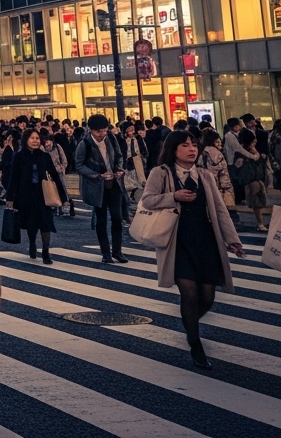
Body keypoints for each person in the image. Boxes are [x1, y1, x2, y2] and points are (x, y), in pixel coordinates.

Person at [140, 131, 245, 369]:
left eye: (194, 145)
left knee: (207, 296)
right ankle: (195, 342)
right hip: (178, 241)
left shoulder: (205, 175)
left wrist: (232, 240)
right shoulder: (162, 173)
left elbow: (219, 210)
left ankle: (190, 323)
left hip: (206, 240)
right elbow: (147, 200)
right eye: (185, 145)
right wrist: (173, 196)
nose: (192, 149)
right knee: (189, 291)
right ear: (173, 149)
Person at [4, 130, 67, 265]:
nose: (35, 141)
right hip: (26, 195)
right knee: (31, 224)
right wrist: (10, 197)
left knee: (46, 223)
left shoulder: (45, 156)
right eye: (32, 138)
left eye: (37, 138)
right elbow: (13, 178)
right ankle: (32, 243)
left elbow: (54, 176)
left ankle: (45, 251)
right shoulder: (19, 157)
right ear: (26, 140)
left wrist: (62, 195)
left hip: (43, 194)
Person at [76, 114, 128, 264]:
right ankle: (106, 253)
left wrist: (119, 169)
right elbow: (79, 165)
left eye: (104, 130)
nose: (102, 134)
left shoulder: (111, 139)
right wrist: (97, 175)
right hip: (97, 187)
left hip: (114, 184)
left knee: (117, 218)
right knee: (101, 219)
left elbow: (119, 156)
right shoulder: (85, 144)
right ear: (91, 130)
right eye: (99, 132)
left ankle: (117, 251)